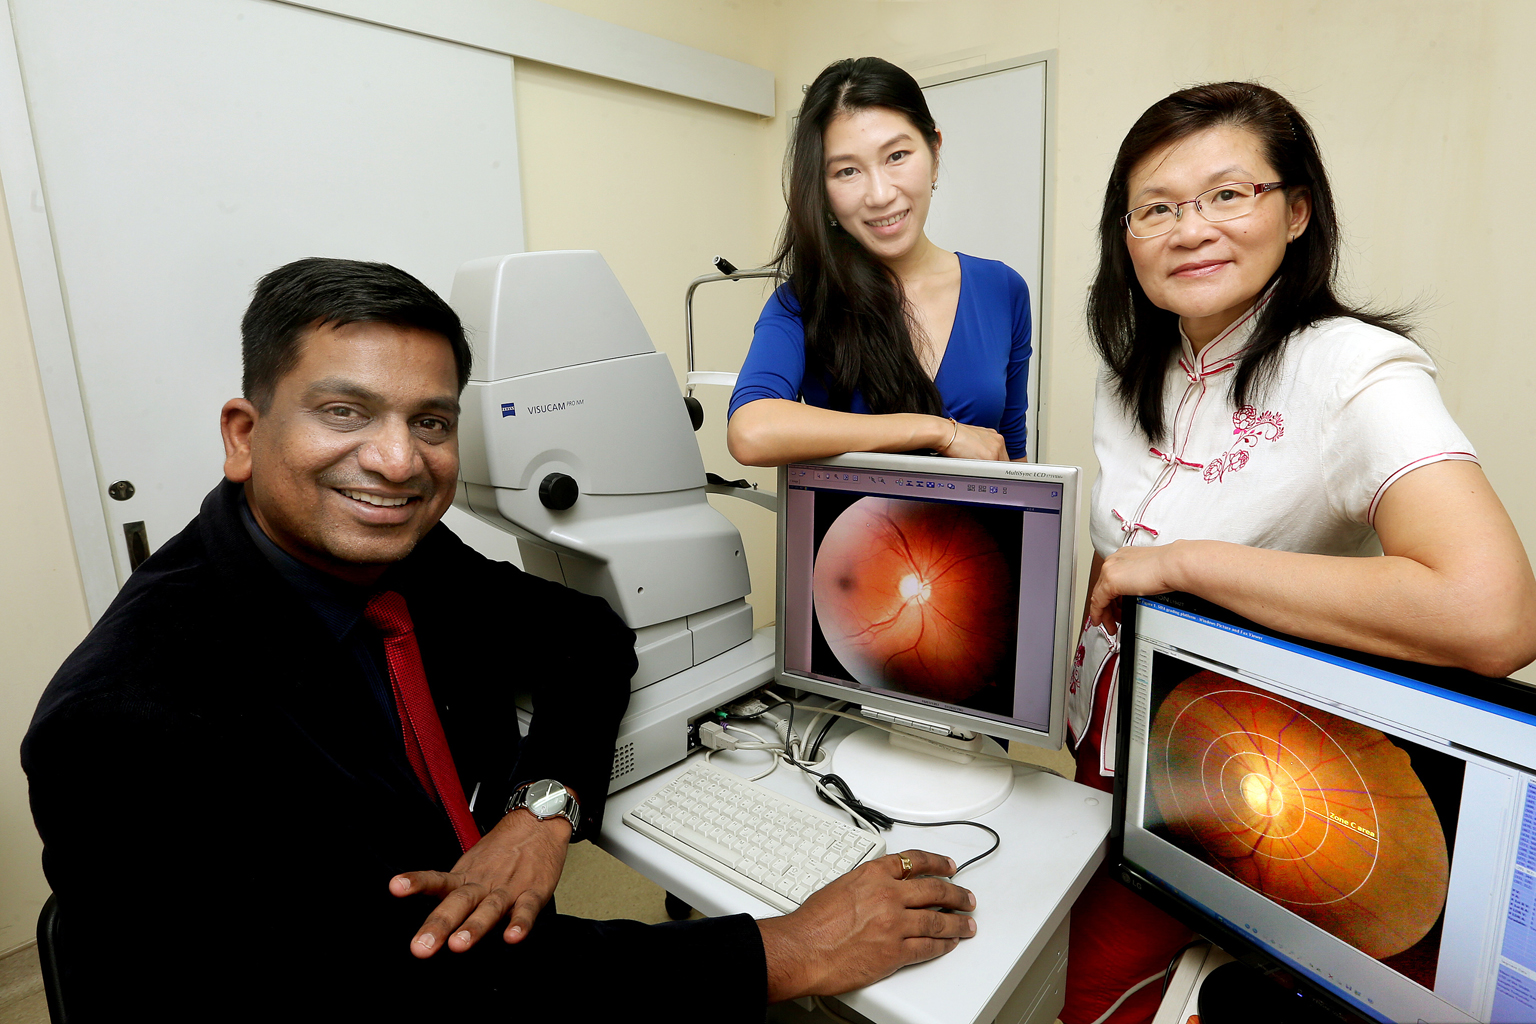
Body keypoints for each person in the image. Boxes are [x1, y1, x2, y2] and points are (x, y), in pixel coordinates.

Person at [22, 257, 978, 1022]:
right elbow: (407, 987)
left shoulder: (394, 554)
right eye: (344, 412)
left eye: (430, 421)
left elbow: (586, 636)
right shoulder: (127, 721)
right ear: (243, 433)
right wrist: (787, 950)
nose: (397, 462)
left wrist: (542, 809)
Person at [1061, 81, 1536, 1024]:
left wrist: (1185, 568)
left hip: (1256, 778)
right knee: (1092, 989)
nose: (1190, 228)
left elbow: (1494, 616)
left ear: (1297, 210)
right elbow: (1118, 553)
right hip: (1108, 749)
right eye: (1156, 207)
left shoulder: (1350, 367)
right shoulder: (1130, 379)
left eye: (1229, 194)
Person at [727, 56, 1031, 467]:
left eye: (897, 156)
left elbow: (1010, 452)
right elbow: (751, 431)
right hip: (851, 533)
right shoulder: (801, 302)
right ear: (822, 189)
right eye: (847, 171)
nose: (880, 194)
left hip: (974, 532)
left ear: (934, 153)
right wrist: (937, 430)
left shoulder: (1002, 289)